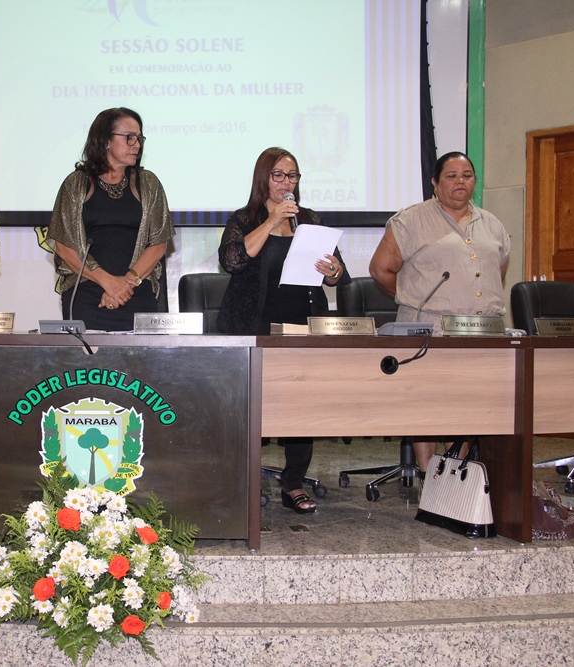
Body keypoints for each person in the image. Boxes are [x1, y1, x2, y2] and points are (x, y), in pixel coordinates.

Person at [216, 147, 351, 513]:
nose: (286, 183)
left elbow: (340, 276)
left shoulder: (310, 219)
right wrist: (272, 220)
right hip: (253, 326)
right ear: (264, 179)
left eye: (292, 176)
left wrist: (333, 270)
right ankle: (244, 481)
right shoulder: (244, 219)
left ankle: (293, 483)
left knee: (299, 406)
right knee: (250, 407)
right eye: (278, 175)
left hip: (302, 326)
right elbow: (233, 260)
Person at [369, 150, 511, 472]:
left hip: (480, 333)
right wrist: (416, 300)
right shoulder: (411, 220)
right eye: (451, 176)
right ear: (435, 182)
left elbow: (496, 270)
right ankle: (427, 473)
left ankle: (454, 471)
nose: (460, 182)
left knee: (470, 403)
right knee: (427, 404)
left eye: (467, 176)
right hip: (429, 330)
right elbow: (380, 269)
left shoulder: (491, 224)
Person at [47, 107, 174, 331]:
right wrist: (107, 282)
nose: (137, 144)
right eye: (129, 138)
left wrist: (124, 284)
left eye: (139, 138)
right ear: (105, 140)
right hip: (87, 291)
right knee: (86, 366)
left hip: (135, 290)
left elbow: (158, 243)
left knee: (139, 365)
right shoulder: (75, 184)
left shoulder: (149, 183)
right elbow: (64, 246)